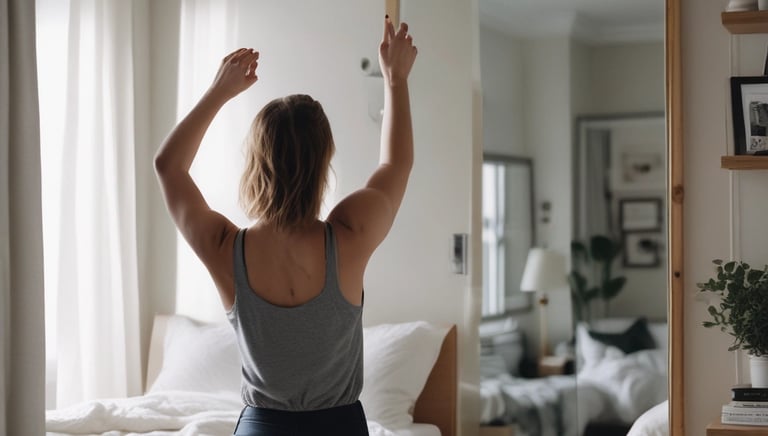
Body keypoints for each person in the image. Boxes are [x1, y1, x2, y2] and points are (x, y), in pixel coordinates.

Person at [154, 16, 417, 436]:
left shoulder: (225, 247)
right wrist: (396, 80)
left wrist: (219, 92)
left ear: (256, 161)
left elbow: (168, 167)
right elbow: (396, 163)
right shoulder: (350, 235)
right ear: (324, 161)